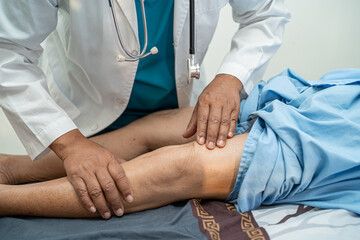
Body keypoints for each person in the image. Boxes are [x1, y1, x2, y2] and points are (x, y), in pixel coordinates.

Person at [0, 0, 290, 219]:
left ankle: (10, 180)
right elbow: (8, 50)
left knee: (173, 167)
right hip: (86, 106)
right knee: (151, 172)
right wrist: (71, 144)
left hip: (175, 109)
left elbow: (265, 13)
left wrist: (231, 77)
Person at [1, 68, 360, 218]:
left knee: (184, 166)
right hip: (332, 97)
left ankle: (6, 200)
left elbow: (264, 14)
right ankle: (13, 168)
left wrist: (232, 73)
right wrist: (227, 80)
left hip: (341, 144)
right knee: (159, 127)